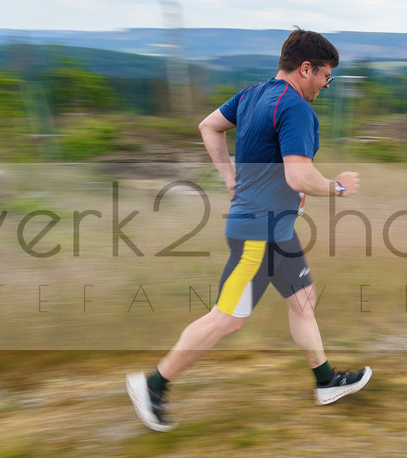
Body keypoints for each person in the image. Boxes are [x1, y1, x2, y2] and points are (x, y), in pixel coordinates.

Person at [126, 28, 371, 432]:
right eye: (327, 75)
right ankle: (152, 385)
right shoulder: (296, 109)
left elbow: (209, 126)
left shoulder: (252, 94)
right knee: (228, 317)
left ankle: (326, 382)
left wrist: (229, 177)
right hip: (260, 233)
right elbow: (299, 176)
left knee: (303, 300)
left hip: (276, 230)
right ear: (306, 68)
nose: (328, 84)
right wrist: (338, 186)